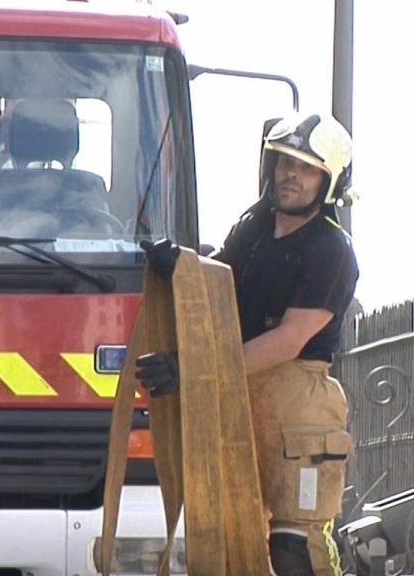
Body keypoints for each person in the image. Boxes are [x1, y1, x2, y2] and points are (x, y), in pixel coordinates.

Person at [136, 112, 359, 576]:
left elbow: (287, 341)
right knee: (233, 544)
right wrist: (177, 267)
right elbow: (216, 280)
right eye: (284, 163)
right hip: (236, 397)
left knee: (295, 548)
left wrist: (194, 368)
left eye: (306, 168)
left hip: (298, 407)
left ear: (329, 181)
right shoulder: (253, 228)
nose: (290, 176)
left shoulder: (331, 249)